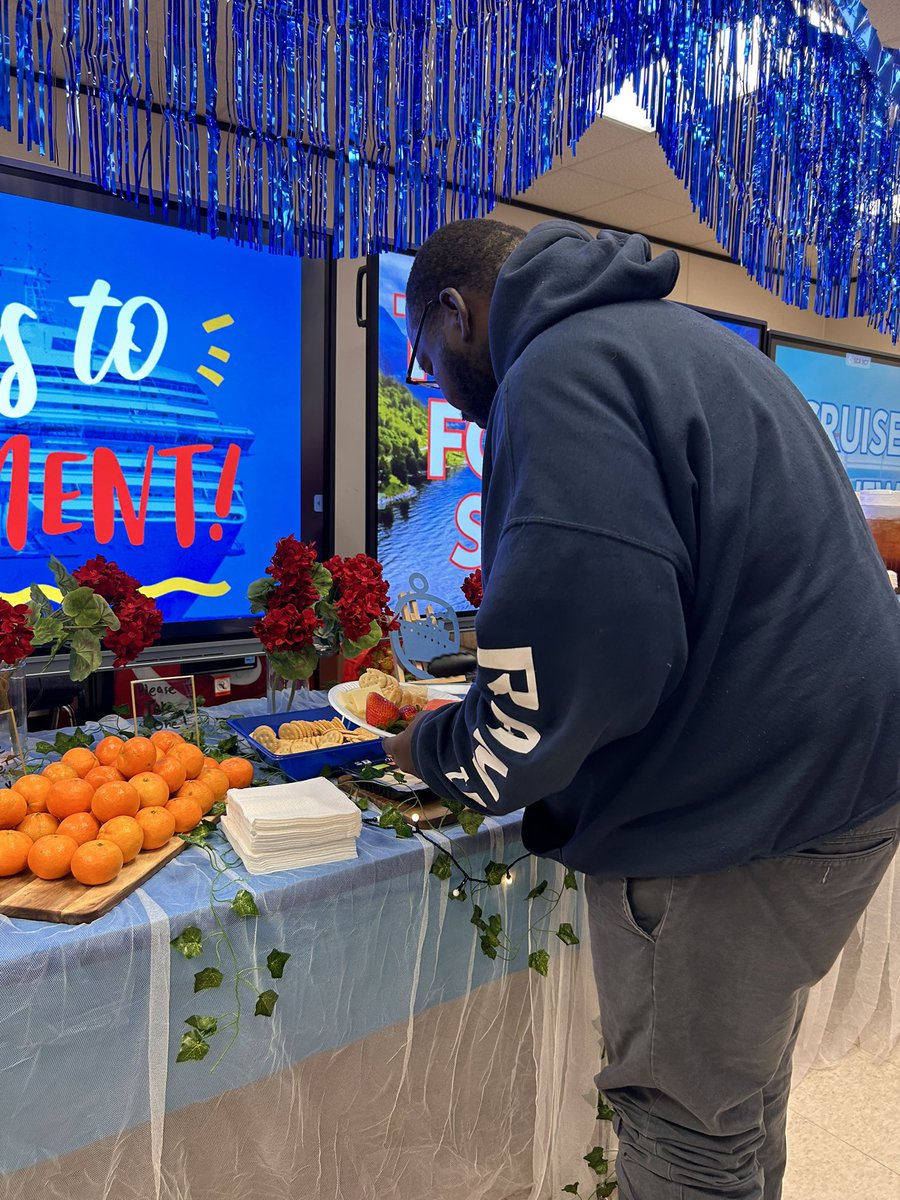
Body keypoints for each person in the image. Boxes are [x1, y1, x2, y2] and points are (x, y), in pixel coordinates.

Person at [383, 217, 900, 1200]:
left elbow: (583, 662)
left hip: (739, 811)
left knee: (682, 1129)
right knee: (733, 1101)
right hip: (845, 779)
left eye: (423, 360)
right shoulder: (672, 337)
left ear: (455, 315)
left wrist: (435, 747)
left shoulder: (561, 374)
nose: (436, 390)